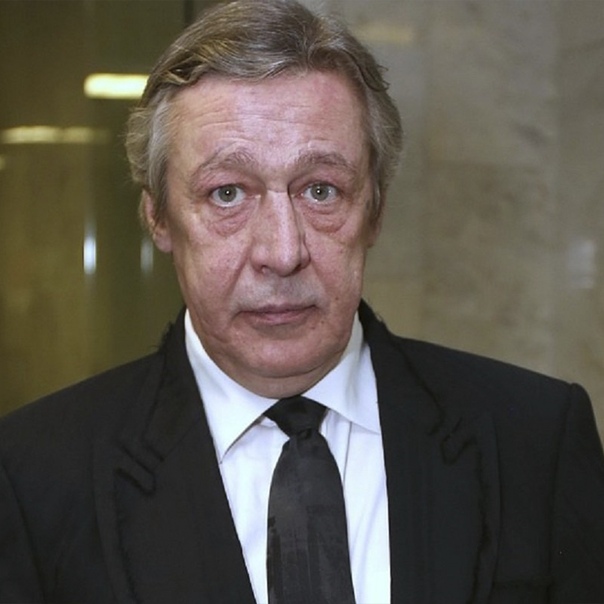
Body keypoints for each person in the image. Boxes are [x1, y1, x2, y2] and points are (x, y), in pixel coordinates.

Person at [1, 0, 603, 602]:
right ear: (158, 218)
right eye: (227, 193)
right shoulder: (34, 476)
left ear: (375, 209)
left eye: (321, 190)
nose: (282, 252)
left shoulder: (537, 441)